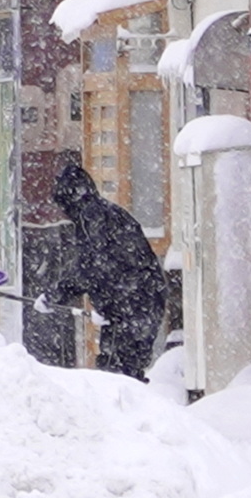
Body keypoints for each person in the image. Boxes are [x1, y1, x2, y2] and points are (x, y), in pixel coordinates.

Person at [47, 163, 166, 380]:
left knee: (118, 374)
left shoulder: (92, 217)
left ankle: (132, 410)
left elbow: (92, 266)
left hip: (133, 303)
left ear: (70, 199)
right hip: (140, 300)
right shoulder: (105, 212)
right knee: (124, 369)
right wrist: (106, 305)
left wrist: (55, 294)